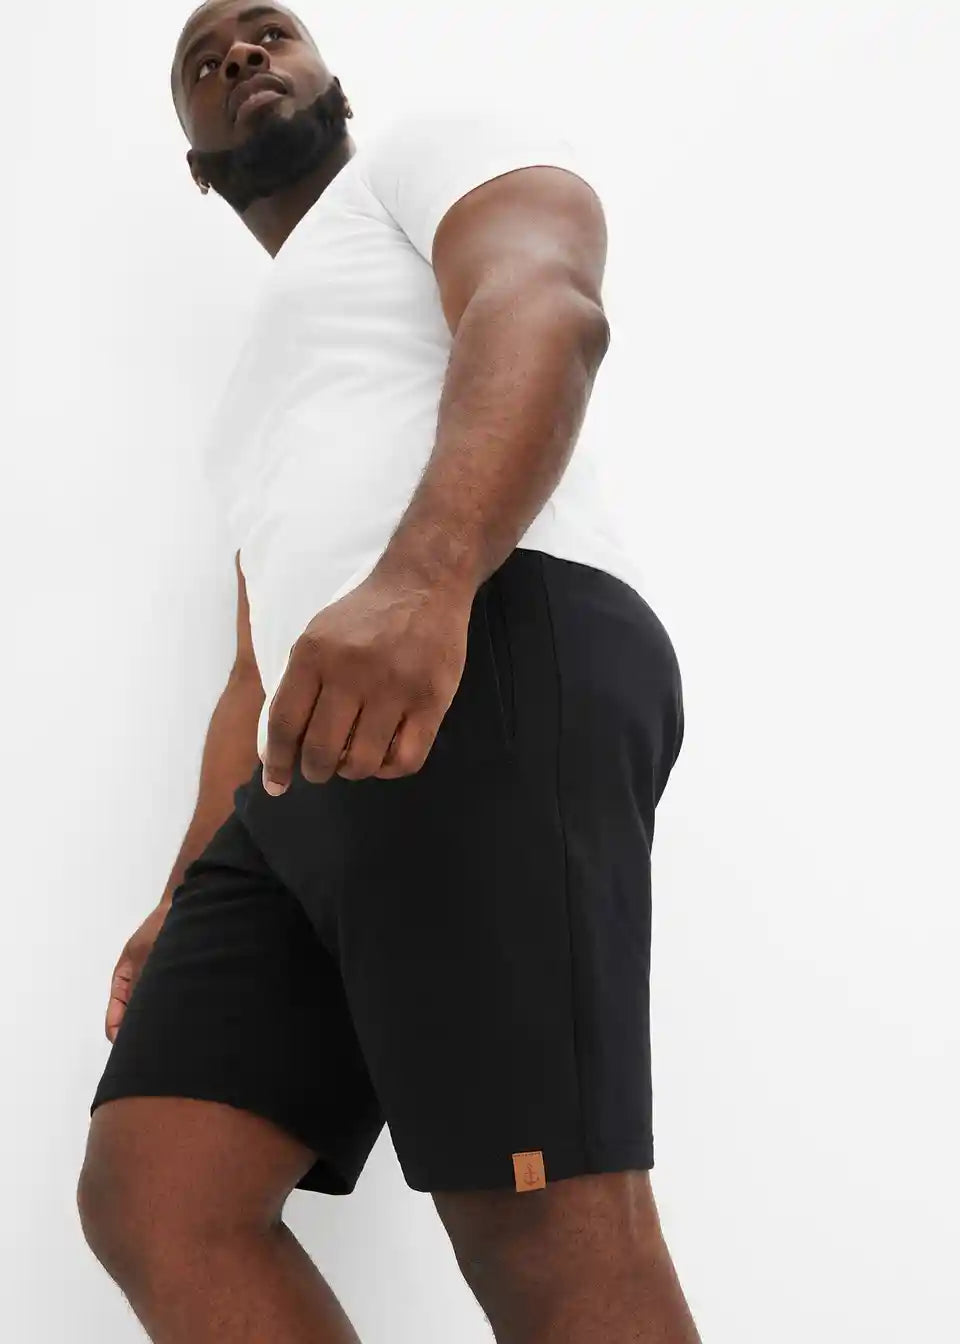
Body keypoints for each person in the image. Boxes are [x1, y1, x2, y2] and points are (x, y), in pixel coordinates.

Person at [77, 3, 700, 1341]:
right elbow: (255, 662)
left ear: (330, 79)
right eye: (203, 64)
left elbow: (545, 304)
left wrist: (428, 578)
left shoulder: (432, 154)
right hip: (309, 745)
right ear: (196, 163)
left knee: (536, 1210)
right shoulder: (255, 394)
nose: (241, 57)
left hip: (488, 633)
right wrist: (184, 886)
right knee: (159, 1193)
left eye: (266, 34)